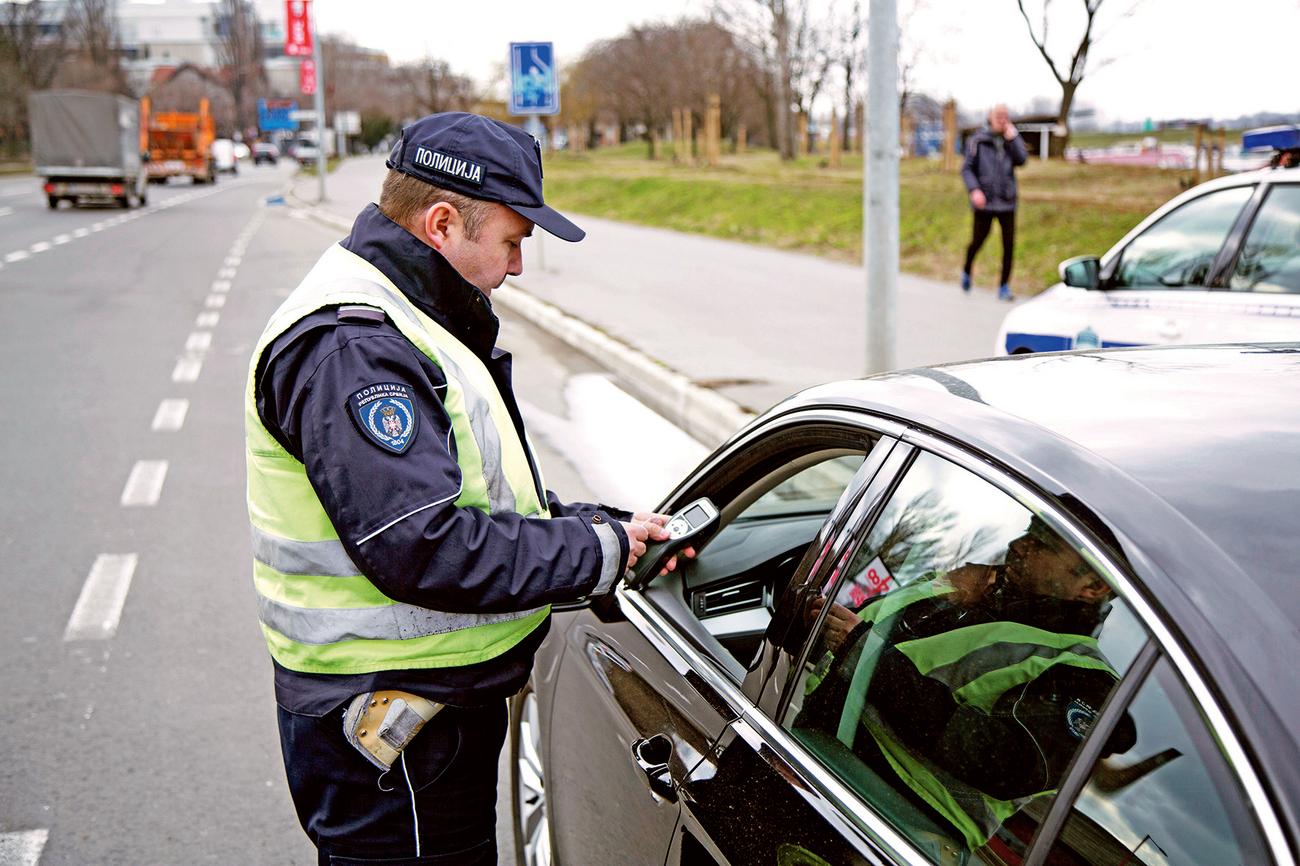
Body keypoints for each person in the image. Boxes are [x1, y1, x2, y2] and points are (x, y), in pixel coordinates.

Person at [245, 112, 688, 865]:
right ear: (443, 223)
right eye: (514, 241)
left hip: (419, 717)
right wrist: (598, 551)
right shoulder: (357, 347)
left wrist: (608, 529)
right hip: (392, 727)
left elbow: (481, 508)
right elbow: (425, 544)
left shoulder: (414, 316)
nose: (517, 265)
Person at [798, 517, 1134, 853]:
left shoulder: (1087, 679)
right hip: (813, 764)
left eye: (1043, 544)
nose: (1018, 545)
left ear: (1093, 587)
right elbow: (854, 632)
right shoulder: (967, 591)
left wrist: (866, 655)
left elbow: (1000, 761)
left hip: (889, 830)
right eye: (1029, 532)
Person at [960, 104, 1028, 302]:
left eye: (1006, 116)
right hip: (985, 202)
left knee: (1009, 245)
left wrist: (1013, 138)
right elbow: (966, 169)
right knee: (978, 240)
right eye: (998, 115)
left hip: (1007, 202)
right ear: (989, 117)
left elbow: (1022, 160)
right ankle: (966, 269)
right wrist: (975, 190)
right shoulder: (977, 141)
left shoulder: (1010, 140)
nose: (1002, 119)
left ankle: (1004, 286)